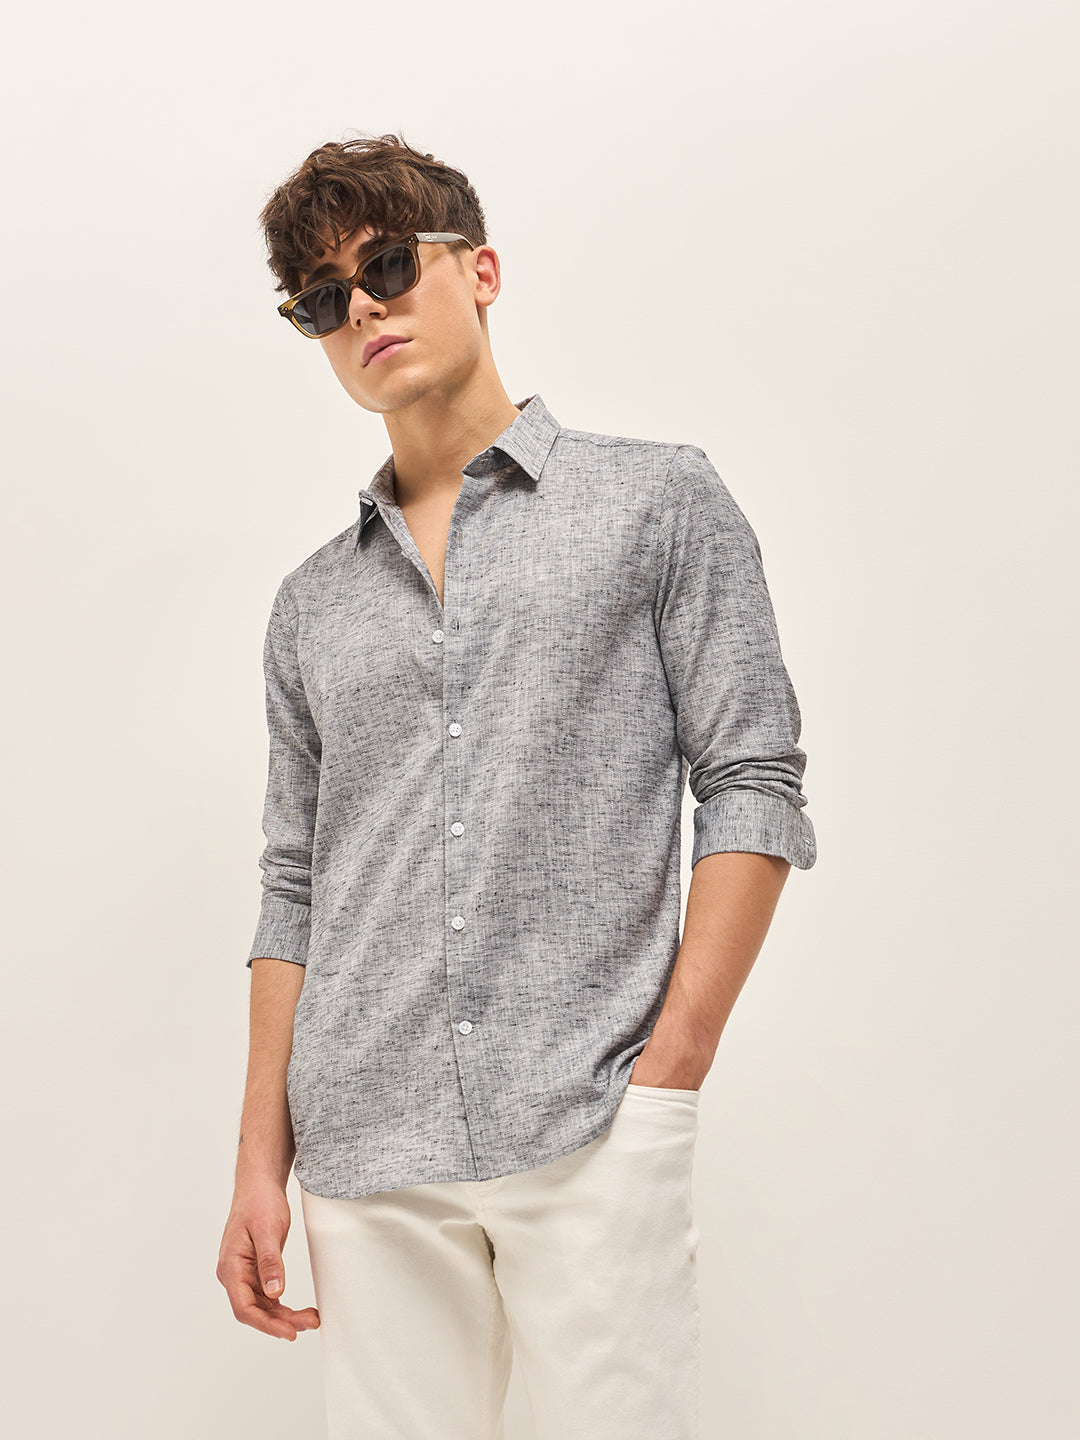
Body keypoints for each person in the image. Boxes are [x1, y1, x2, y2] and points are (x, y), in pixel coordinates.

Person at [216, 130, 818, 1440]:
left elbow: (752, 778)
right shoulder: (310, 606)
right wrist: (262, 1160)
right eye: (323, 299)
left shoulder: (657, 504)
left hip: (592, 1113)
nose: (361, 309)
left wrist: (671, 1068)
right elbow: (294, 886)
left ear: (479, 272)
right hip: (364, 1146)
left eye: (388, 265)